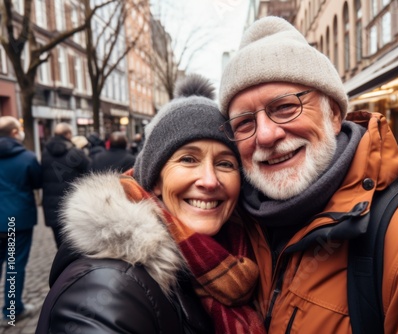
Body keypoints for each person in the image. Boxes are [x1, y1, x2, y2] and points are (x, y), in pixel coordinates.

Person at [218, 16, 398, 333]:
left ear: (335, 114)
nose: (265, 136)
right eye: (244, 123)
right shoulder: (241, 236)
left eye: (285, 107)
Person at [36, 75, 265, 334]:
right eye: (188, 159)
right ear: (155, 180)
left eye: (225, 163)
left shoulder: (240, 253)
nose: (210, 181)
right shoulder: (112, 286)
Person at [0, 116, 42, 325]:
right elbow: (37, 181)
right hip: (16, 220)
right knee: (14, 265)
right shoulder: (27, 157)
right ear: (15, 133)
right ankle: (12, 310)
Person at [41, 122, 90, 248]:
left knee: (59, 244)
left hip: (52, 206)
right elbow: (89, 171)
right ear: (68, 134)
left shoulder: (45, 152)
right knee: (75, 245)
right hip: (71, 204)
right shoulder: (75, 153)